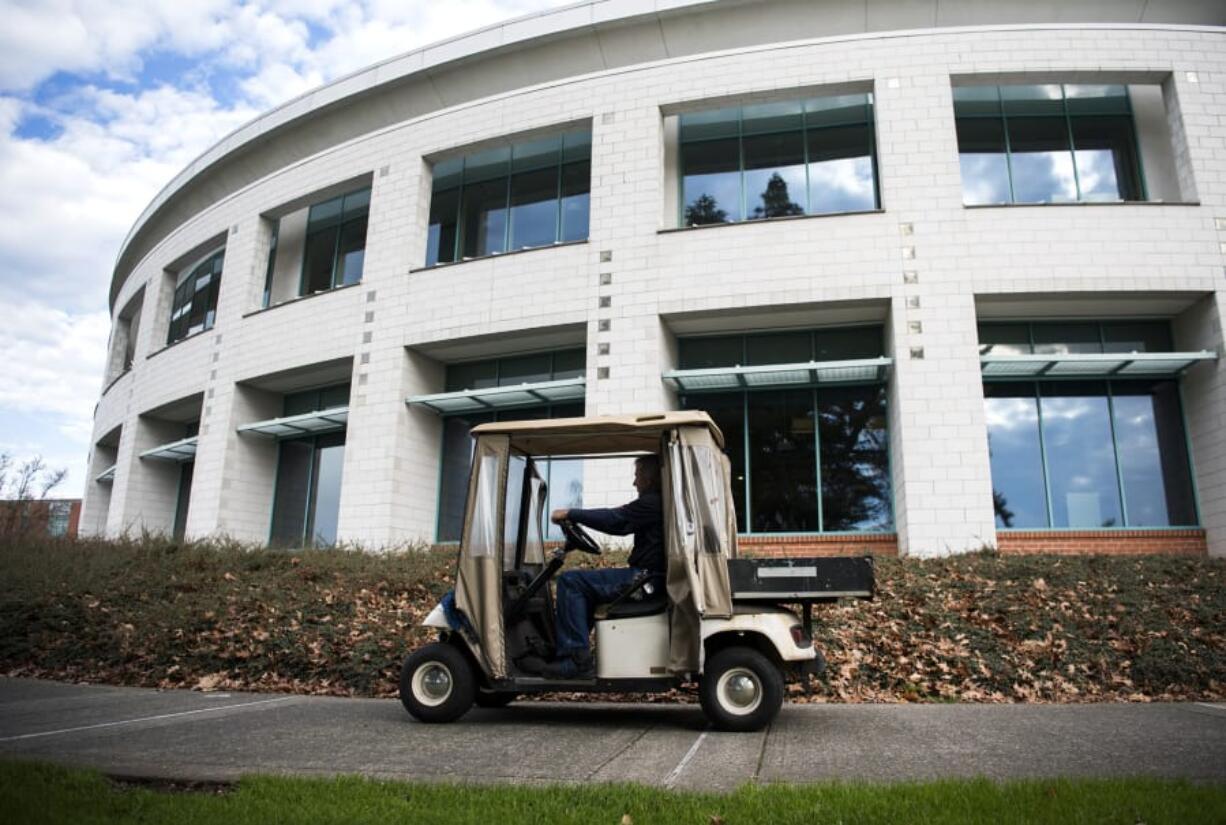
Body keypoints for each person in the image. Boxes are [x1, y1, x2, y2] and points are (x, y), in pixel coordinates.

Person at [533, 454, 665, 679]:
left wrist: (571, 513)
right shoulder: (656, 502)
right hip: (648, 576)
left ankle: (575, 661)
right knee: (585, 587)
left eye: (637, 476)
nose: (635, 483)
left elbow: (615, 520)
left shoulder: (652, 502)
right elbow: (617, 520)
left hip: (646, 579)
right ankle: (569, 651)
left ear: (650, 479)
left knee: (570, 581)